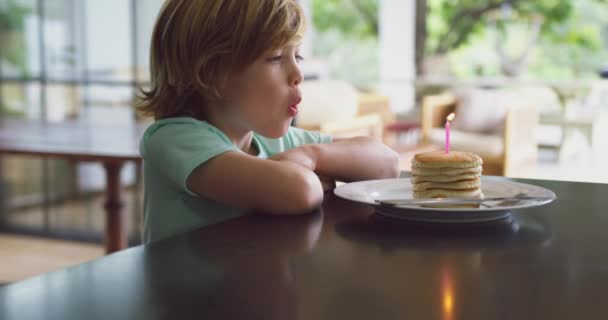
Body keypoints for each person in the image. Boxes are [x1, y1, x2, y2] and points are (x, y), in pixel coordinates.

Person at [136, 0, 399, 243]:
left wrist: (311, 156)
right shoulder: (173, 138)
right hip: (187, 295)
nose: (298, 74)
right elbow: (300, 190)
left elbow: (387, 165)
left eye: (297, 57)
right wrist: (309, 176)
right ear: (212, 73)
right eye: (275, 57)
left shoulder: (278, 142)